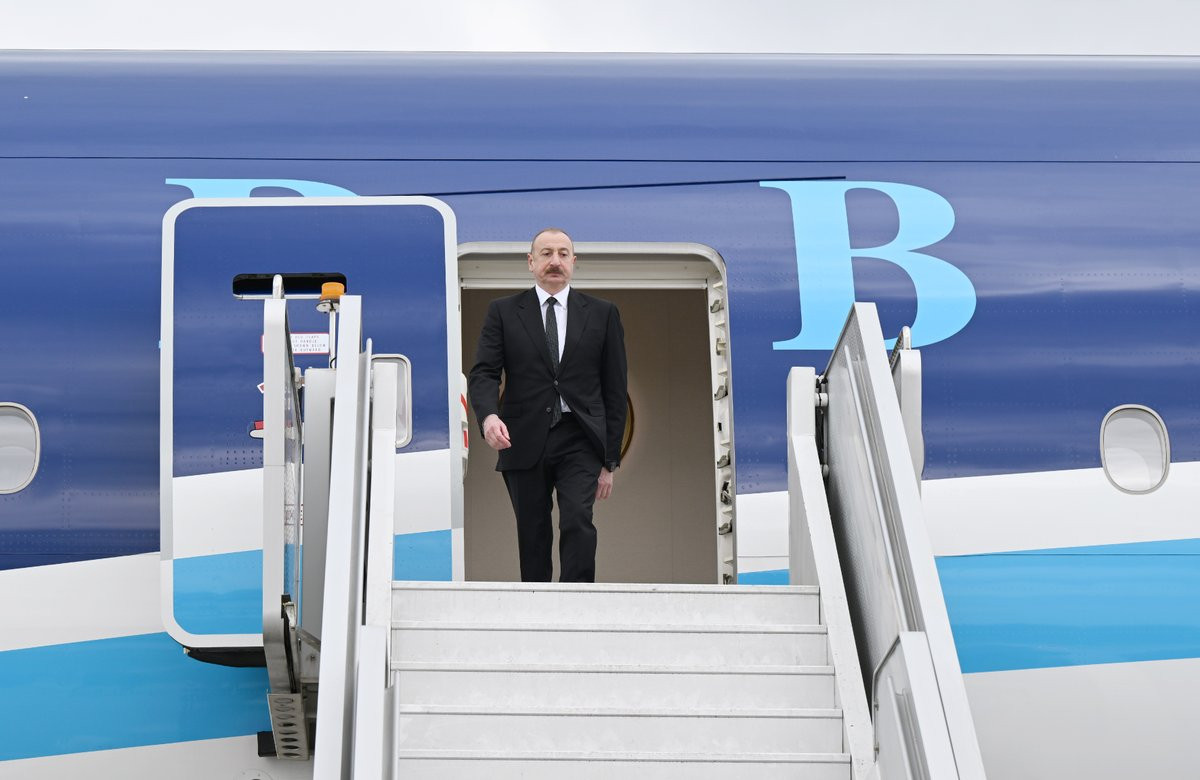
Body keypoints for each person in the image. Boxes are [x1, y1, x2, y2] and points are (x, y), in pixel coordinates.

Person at [468, 228, 627, 582]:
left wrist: (610, 461)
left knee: (577, 520)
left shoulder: (602, 314)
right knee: (532, 531)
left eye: (563, 253)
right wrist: (488, 416)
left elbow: (615, 390)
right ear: (531, 262)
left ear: (574, 261)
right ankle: (536, 604)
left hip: (581, 439)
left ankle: (577, 602)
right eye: (546, 253)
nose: (555, 261)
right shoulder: (503, 312)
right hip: (522, 437)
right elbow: (484, 373)